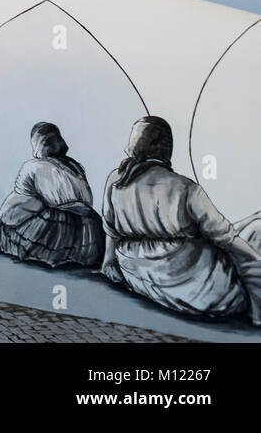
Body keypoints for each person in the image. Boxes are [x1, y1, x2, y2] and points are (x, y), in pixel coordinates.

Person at [101, 115, 261, 324]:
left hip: (138, 275)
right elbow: (225, 236)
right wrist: (254, 257)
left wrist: (108, 262)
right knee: (255, 230)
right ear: (165, 146)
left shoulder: (116, 180)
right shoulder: (185, 188)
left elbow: (111, 229)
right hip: (197, 286)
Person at [0, 122, 103, 267]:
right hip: (83, 226)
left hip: (53, 227)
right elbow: (85, 201)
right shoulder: (75, 165)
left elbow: (56, 202)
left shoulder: (36, 166)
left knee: (13, 230)